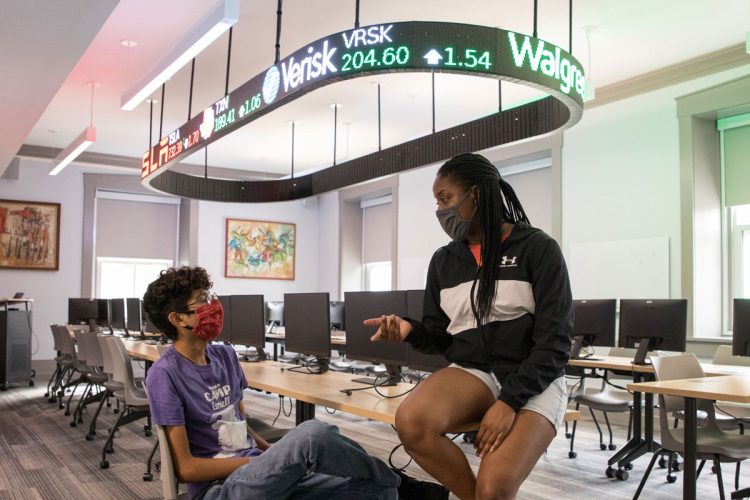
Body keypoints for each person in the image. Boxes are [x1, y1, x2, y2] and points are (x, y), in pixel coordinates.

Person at [365, 153, 573, 500]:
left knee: (494, 488)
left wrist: (509, 402)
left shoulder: (537, 248)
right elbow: (442, 337)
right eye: (437, 202)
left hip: (535, 378)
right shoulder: (445, 261)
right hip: (474, 372)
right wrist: (409, 330)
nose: (440, 210)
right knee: (412, 423)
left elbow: (555, 345)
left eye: (445, 198)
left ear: (475, 195)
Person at [143, 266, 447, 500]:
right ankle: (405, 483)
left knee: (380, 494)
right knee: (312, 433)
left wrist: (273, 460)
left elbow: (240, 425)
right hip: (222, 491)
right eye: (203, 301)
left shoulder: (224, 356)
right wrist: (265, 462)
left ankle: (395, 486)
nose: (214, 305)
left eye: (212, 297)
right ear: (178, 319)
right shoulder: (164, 374)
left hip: (260, 477)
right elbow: (186, 468)